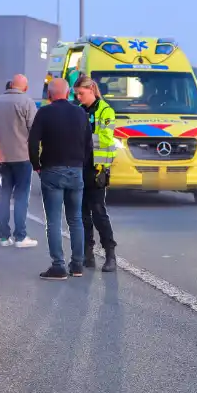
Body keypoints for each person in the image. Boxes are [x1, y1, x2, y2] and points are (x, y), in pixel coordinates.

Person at [28, 77, 91, 280]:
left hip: (52, 170)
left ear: (49, 95)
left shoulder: (45, 112)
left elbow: (32, 141)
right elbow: (88, 143)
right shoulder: (81, 112)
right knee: (76, 219)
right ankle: (78, 265)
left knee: (54, 220)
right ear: (68, 93)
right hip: (76, 170)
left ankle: (58, 266)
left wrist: (36, 164)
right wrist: (82, 165)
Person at [73, 76, 118, 272]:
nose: (79, 97)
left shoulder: (105, 111)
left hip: (97, 169)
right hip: (78, 167)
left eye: (81, 93)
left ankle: (110, 254)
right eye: (76, 94)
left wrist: (82, 138)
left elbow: (106, 140)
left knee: (99, 212)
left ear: (91, 89)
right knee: (82, 214)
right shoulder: (78, 111)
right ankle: (87, 254)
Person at [0, 74, 38, 248]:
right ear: (24, 87)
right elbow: (35, 130)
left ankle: (3, 237)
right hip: (22, 156)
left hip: (2, 157)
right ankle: (20, 236)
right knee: (21, 196)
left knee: (4, 196)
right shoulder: (27, 102)